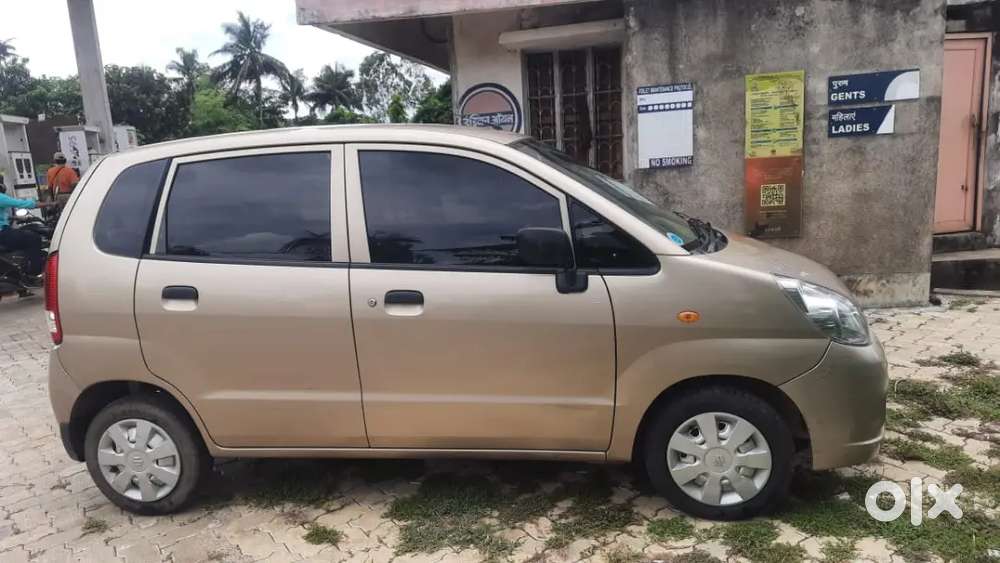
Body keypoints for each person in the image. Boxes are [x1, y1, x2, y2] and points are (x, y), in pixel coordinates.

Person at [0, 184, 53, 283]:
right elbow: (22, 203)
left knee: (24, 235)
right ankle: (34, 274)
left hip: (3, 232)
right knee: (33, 238)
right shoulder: (1, 197)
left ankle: (22, 271)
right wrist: (51, 204)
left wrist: (16, 218)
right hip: (2, 233)